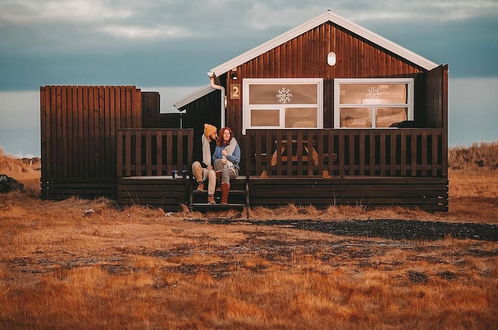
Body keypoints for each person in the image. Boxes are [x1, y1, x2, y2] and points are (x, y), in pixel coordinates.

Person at [212, 127, 240, 204]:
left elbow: (237, 160)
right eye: (225, 133)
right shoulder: (218, 146)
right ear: (221, 135)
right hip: (221, 168)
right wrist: (221, 160)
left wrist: (227, 156)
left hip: (233, 169)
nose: (227, 135)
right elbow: (214, 158)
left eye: (229, 133)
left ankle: (224, 200)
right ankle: (219, 185)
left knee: (225, 171)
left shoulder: (234, 145)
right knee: (217, 161)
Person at [191, 124, 218, 204]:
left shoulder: (214, 144)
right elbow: (196, 157)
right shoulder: (199, 142)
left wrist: (211, 166)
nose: (216, 135)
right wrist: (206, 166)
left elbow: (216, 158)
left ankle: (210, 196)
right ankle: (200, 183)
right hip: (201, 167)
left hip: (211, 168)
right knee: (195, 164)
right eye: (214, 133)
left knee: (212, 174)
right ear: (209, 134)